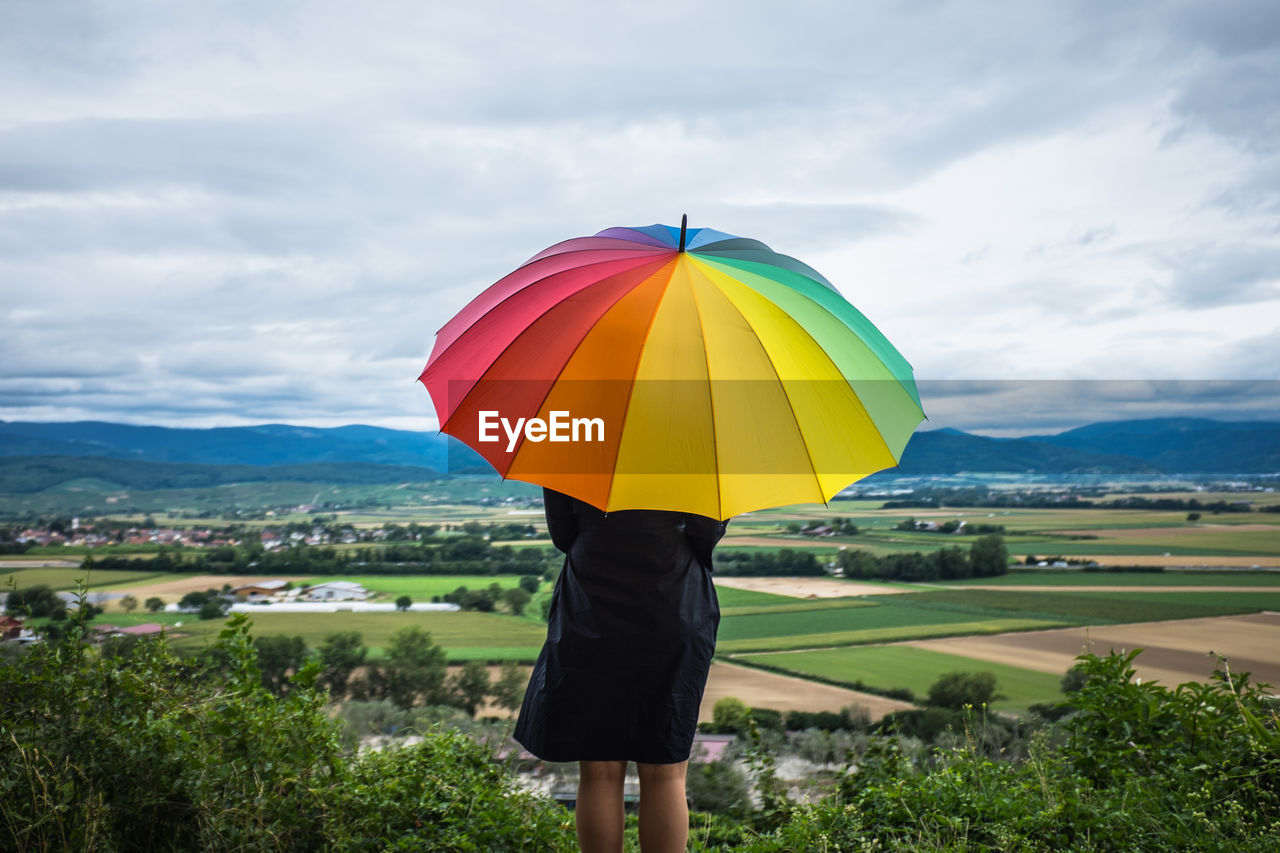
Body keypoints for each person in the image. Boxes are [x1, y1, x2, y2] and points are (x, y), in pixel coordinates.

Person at [514, 487, 728, 853]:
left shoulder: (572, 436)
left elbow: (563, 534)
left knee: (598, 768)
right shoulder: (695, 443)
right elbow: (705, 534)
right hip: (674, 606)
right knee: (665, 768)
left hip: (590, 608)